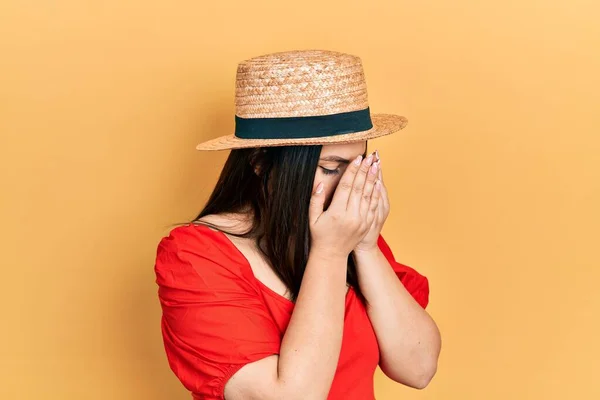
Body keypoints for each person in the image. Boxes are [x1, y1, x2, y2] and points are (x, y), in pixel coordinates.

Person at [154, 50, 441, 400]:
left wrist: (365, 247)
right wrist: (332, 252)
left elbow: (419, 367)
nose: (350, 186)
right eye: (331, 168)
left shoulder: (341, 230)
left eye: (359, 165)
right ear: (261, 163)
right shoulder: (194, 256)